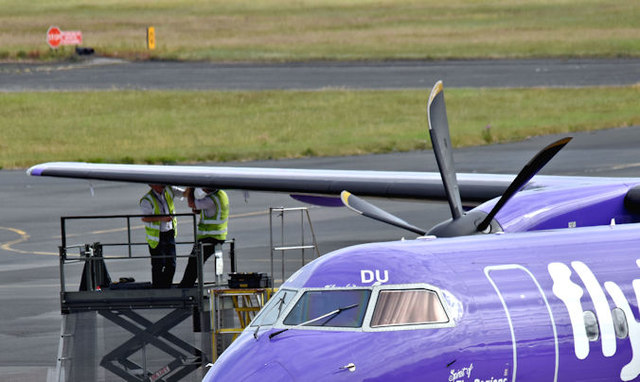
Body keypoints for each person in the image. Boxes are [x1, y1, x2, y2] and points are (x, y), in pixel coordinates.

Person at [179, 187, 229, 288]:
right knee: (196, 262)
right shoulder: (221, 195)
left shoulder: (210, 199)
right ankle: (187, 284)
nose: (202, 189)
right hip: (218, 235)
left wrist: (191, 189)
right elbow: (210, 210)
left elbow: (191, 204)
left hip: (210, 236)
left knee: (194, 262)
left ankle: (186, 286)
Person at [140, 184, 182, 288]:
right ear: (152, 185)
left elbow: (184, 193)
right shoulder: (147, 200)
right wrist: (162, 218)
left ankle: (166, 286)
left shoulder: (168, 191)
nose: (162, 185)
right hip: (157, 236)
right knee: (159, 264)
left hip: (169, 232)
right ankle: (158, 288)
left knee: (171, 264)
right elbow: (145, 218)